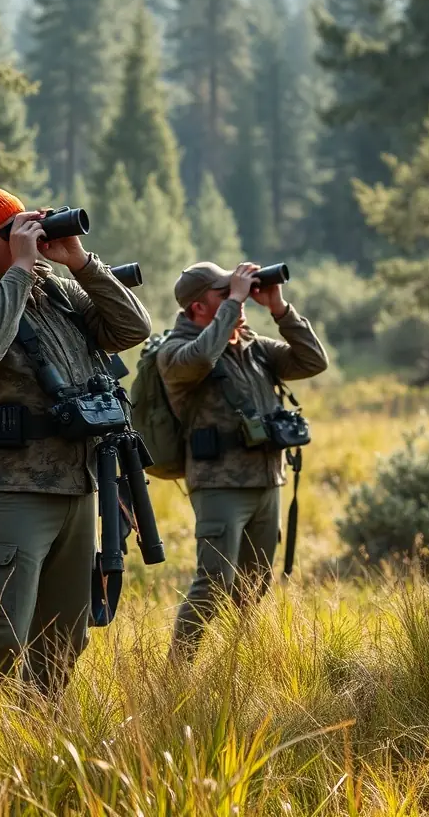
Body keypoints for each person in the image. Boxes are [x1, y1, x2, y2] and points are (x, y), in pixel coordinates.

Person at [0, 172, 151, 698]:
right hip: (10, 487)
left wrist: (81, 262)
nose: (29, 238)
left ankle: (33, 742)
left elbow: (132, 330)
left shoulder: (58, 292)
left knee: (62, 640)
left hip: (77, 481)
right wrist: (21, 271)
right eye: (12, 232)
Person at [158, 261, 328, 659]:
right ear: (198, 307)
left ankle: (244, 666)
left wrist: (280, 309)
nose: (239, 298)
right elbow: (202, 358)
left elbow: (313, 361)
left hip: (267, 480)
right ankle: (176, 672)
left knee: (254, 586)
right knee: (213, 583)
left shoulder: (254, 348)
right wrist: (236, 300)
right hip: (220, 484)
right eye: (225, 293)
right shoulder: (175, 352)